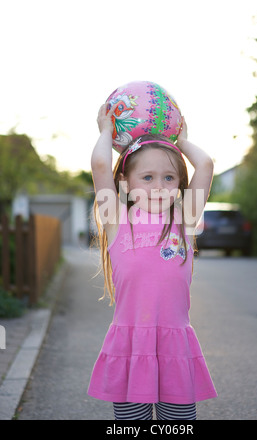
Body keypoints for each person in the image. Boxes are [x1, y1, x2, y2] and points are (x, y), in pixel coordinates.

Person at [87, 102, 217, 420]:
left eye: (169, 177)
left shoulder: (184, 218)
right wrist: (106, 130)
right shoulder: (117, 219)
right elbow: (101, 166)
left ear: (179, 185)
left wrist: (182, 140)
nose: (159, 186)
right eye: (147, 177)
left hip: (174, 346)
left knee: (178, 423)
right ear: (126, 183)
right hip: (130, 346)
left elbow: (206, 165)